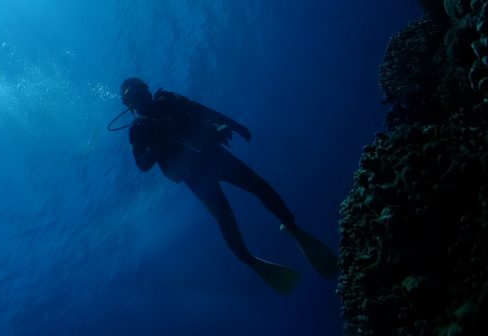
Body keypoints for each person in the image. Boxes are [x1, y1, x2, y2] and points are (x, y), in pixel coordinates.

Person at [112, 77, 337, 294]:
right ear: (128, 103)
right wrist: (154, 150)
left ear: (147, 87)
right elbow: (141, 164)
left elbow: (203, 110)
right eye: (133, 95)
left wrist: (234, 124)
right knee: (226, 218)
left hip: (215, 156)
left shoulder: (169, 100)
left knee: (261, 188)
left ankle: (291, 226)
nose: (140, 96)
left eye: (140, 89)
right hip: (195, 176)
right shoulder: (138, 129)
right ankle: (249, 260)